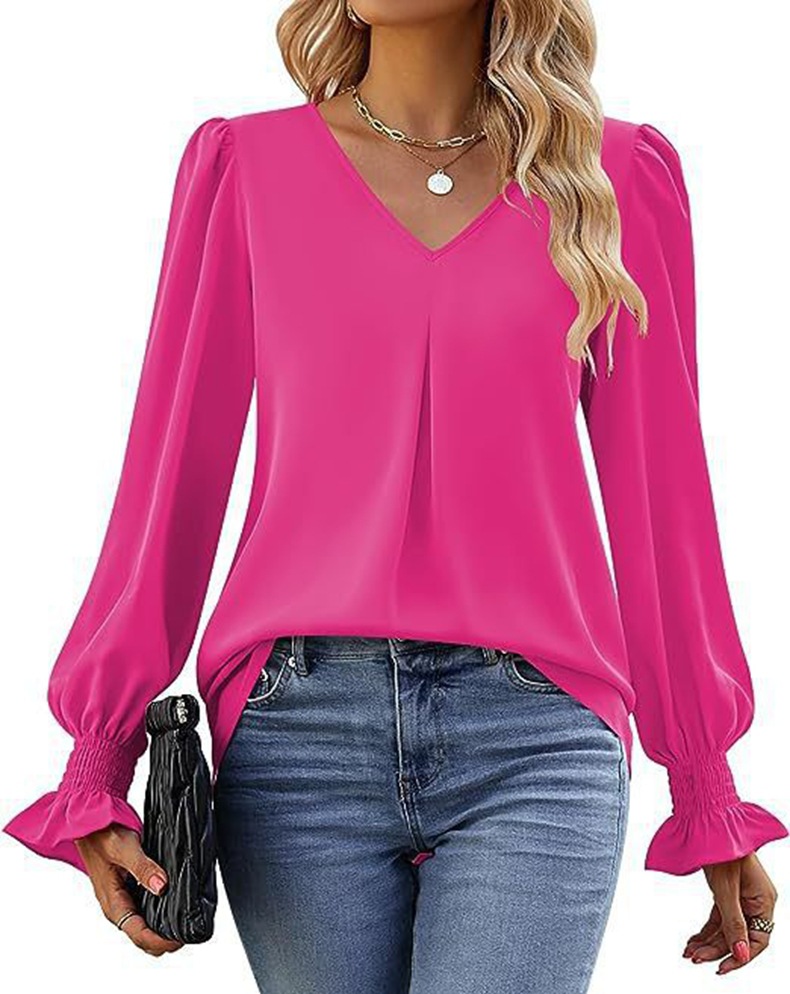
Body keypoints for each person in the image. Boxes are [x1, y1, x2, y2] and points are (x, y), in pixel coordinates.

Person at [4, 1, 788, 991]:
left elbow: (661, 501)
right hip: (296, 737)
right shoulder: (244, 168)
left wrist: (706, 787)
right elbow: (171, 478)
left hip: (537, 735)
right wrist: (99, 755)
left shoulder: (613, 177)